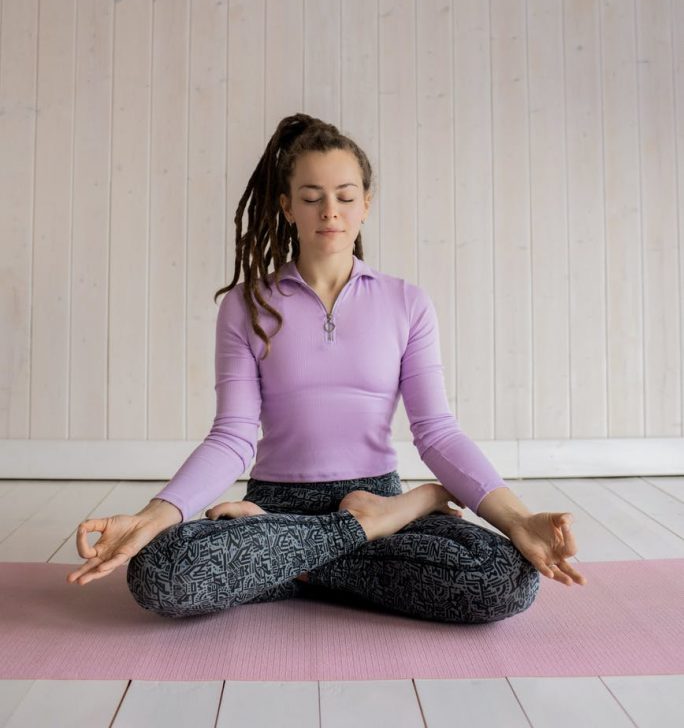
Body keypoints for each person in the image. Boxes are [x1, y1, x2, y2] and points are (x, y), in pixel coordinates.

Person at [67, 113, 586, 623]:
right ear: (288, 206)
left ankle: (288, 562)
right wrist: (151, 517)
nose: (329, 212)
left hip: (374, 498)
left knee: (506, 578)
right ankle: (356, 532)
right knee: (159, 572)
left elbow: (436, 432)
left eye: (345, 196)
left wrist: (516, 518)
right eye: (312, 198)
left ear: (366, 206)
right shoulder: (247, 305)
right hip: (285, 503)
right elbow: (232, 437)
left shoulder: (407, 302)